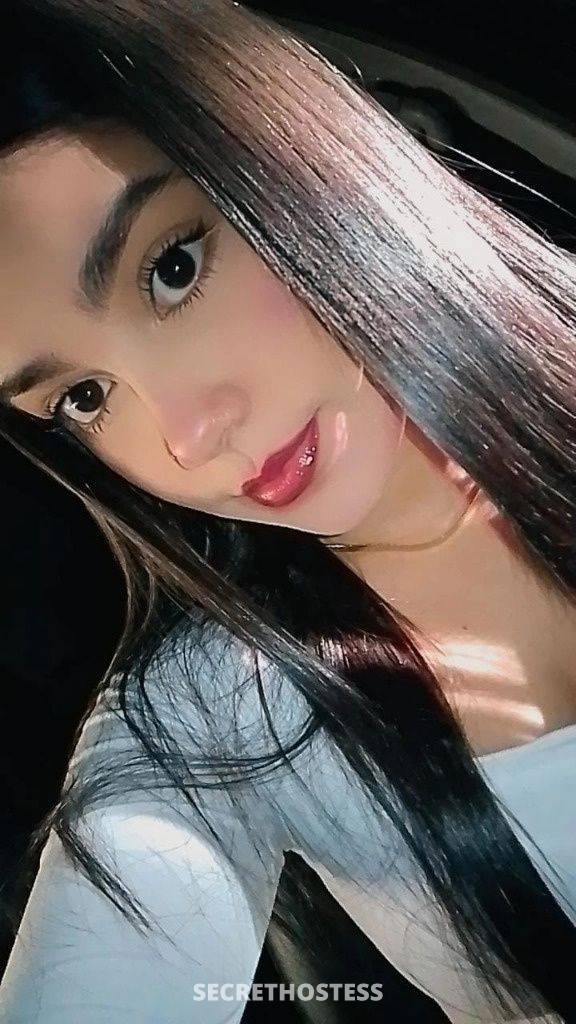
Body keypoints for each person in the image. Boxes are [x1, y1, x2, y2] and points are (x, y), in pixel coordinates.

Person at [0, 0, 574, 1021]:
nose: (187, 438)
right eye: (83, 397)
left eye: (173, 270)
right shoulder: (217, 714)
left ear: (293, 156)